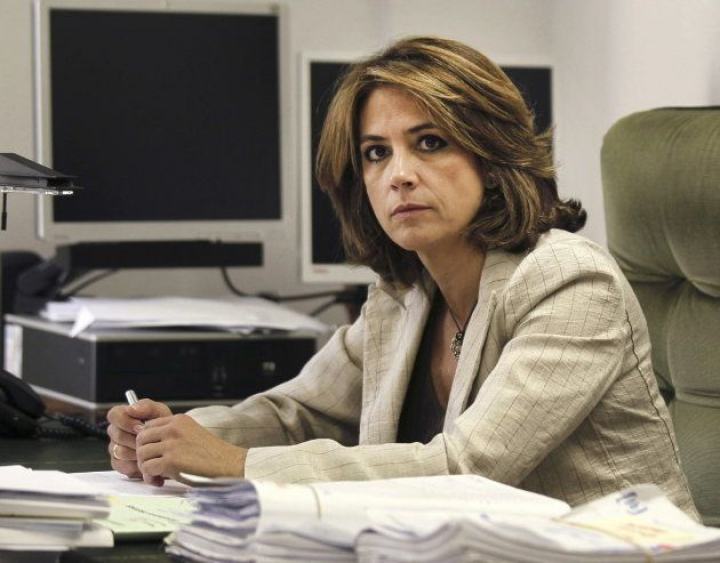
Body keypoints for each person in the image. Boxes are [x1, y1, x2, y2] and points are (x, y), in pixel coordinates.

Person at [107, 36, 698, 517]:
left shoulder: (570, 282)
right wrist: (173, 435)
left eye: (430, 143)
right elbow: (299, 415)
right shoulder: (404, 297)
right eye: (376, 152)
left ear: (492, 160)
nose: (399, 174)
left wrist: (236, 464)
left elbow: (466, 469)